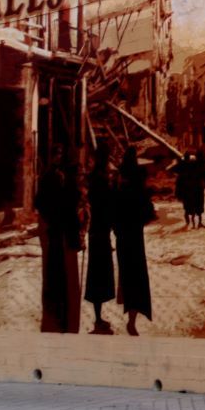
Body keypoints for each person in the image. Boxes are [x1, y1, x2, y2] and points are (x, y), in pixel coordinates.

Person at [35, 144, 81, 333]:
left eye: (60, 154)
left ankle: (63, 310)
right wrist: (52, 217)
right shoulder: (47, 177)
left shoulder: (61, 176)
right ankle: (56, 313)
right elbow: (40, 203)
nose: (58, 158)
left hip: (61, 230)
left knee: (64, 273)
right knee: (55, 271)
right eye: (56, 154)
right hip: (55, 231)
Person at [115, 146, 152, 336]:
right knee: (137, 277)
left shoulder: (119, 184)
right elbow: (148, 211)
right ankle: (132, 320)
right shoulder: (138, 185)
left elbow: (113, 211)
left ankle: (131, 317)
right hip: (135, 237)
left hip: (123, 237)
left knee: (128, 277)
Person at [84, 142, 116, 334]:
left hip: (99, 230)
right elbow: (106, 204)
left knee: (99, 275)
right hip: (100, 231)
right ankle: (97, 319)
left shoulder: (96, 178)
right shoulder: (100, 180)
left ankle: (98, 317)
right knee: (98, 276)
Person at [172, 150, 205, 229]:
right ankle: (196, 223)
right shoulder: (197, 164)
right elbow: (204, 175)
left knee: (189, 207)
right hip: (195, 188)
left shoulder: (185, 165)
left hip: (188, 189)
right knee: (196, 206)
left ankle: (190, 223)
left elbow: (177, 171)